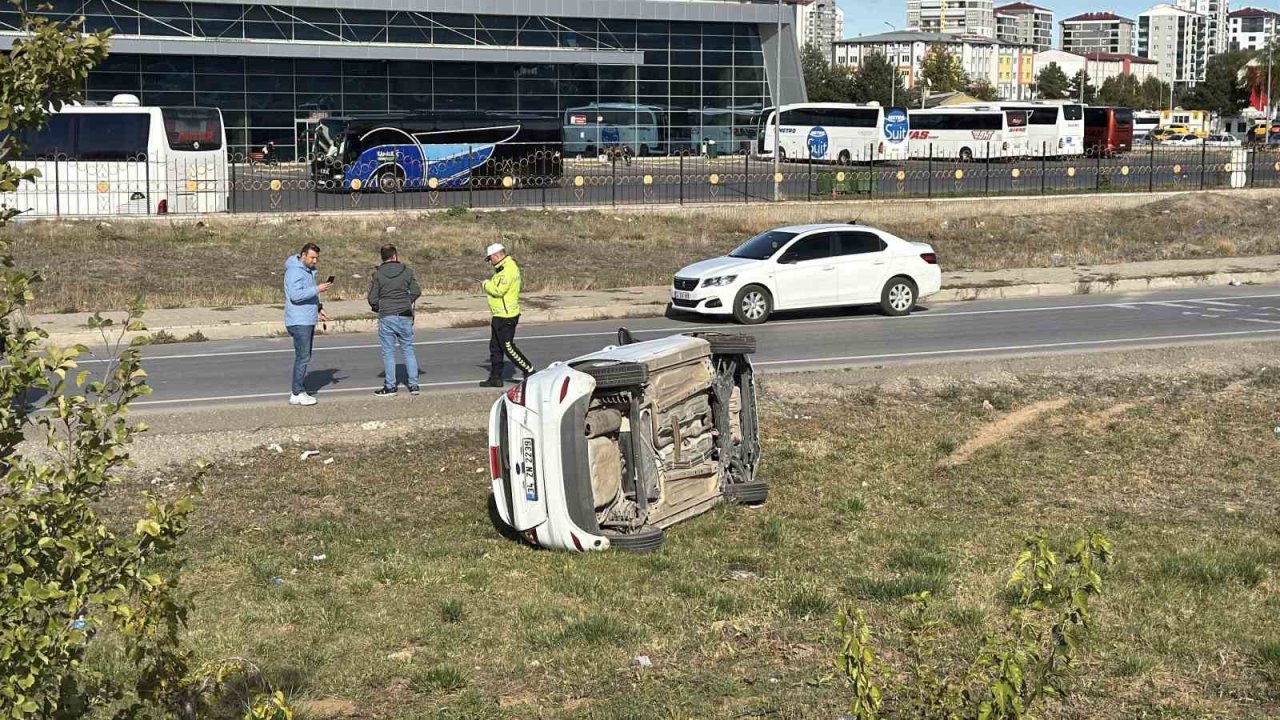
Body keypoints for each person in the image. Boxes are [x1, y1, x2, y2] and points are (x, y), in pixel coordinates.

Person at [368, 243, 422, 396]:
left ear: (383, 257)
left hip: (387, 314)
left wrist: (378, 306)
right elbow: (416, 291)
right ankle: (413, 385)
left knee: (388, 352)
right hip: (404, 313)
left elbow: (372, 297)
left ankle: (390, 386)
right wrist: (407, 300)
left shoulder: (378, 274)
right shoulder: (407, 271)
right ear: (395, 255)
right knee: (408, 349)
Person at [479, 243, 535, 387]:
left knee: (508, 347)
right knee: (495, 347)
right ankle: (495, 377)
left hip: (507, 315)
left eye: (490, 259)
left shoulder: (508, 269)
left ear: (497, 256)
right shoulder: (501, 269)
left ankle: (530, 370)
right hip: (499, 314)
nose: (489, 262)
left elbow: (498, 290)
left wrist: (485, 284)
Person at [284, 242, 331, 406]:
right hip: (299, 320)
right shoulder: (294, 271)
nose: (314, 261)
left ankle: (298, 390)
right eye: (312, 257)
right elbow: (296, 295)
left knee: (305, 356)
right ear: (303, 255)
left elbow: (308, 293)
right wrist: (318, 289)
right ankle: (297, 392)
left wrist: (319, 308)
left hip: (307, 318)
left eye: (316, 258)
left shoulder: (307, 271)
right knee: (303, 357)